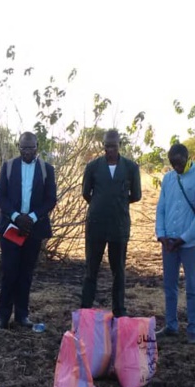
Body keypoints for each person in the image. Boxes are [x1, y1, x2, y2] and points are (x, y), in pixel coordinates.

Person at [0, 132, 57, 328]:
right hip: (11, 227)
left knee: (26, 273)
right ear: (18, 146)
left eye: (31, 147)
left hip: (34, 228)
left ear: (37, 147)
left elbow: (50, 199)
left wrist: (31, 217)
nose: (27, 151)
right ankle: (2, 316)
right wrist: (16, 217)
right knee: (9, 271)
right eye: (24, 147)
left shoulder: (47, 169)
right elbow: (0, 197)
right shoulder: (9, 167)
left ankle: (22, 316)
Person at [155, 144, 195, 344]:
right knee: (169, 285)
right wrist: (161, 234)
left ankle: (193, 329)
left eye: (179, 163)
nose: (176, 167)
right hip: (168, 242)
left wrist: (185, 238)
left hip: (189, 243)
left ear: (187, 158)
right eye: (172, 164)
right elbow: (161, 207)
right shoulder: (169, 178)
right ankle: (171, 325)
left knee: (192, 286)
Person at [80, 129, 141, 316]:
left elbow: (136, 195)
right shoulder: (93, 167)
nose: (110, 150)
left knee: (119, 271)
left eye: (113, 146)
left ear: (119, 145)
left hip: (119, 226)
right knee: (91, 269)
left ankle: (119, 311)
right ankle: (85, 309)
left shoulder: (131, 167)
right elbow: (85, 193)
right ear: (103, 146)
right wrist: (101, 204)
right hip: (96, 224)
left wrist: (118, 203)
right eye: (106, 146)